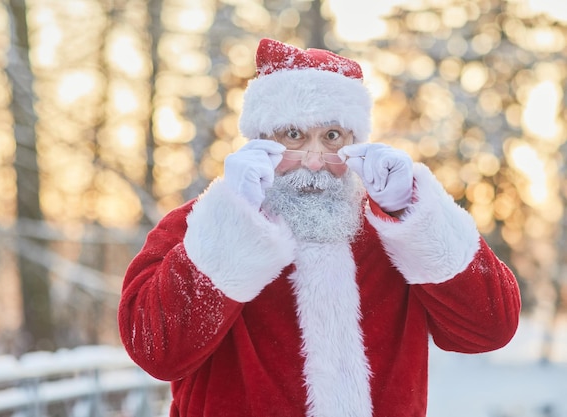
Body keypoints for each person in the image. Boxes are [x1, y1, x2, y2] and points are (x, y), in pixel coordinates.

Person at [118, 38, 521, 417]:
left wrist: (413, 212)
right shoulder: (199, 226)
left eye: (331, 136)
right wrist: (233, 222)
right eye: (293, 134)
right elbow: (156, 351)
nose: (314, 160)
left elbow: (490, 328)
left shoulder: (395, 230)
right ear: (260, 140)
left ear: (355, 140)